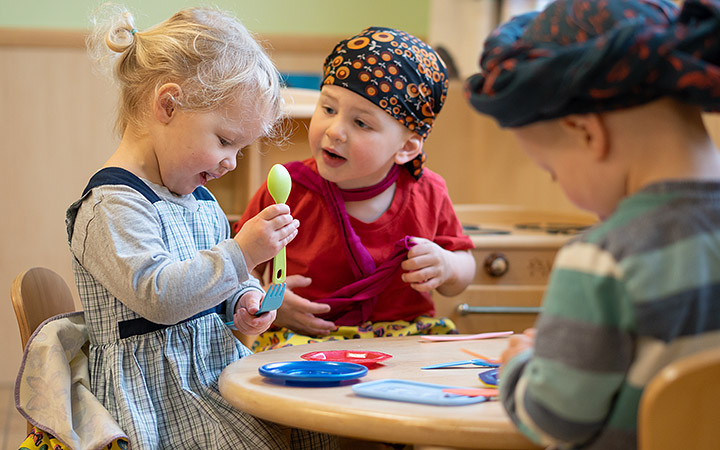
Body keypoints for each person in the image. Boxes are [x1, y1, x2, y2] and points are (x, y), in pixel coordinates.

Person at [60, 4, 337, 449]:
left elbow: (216, 283)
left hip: (211, 371)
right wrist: (243, 253)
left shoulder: (200, 201)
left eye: (241, 148)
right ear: (168, 105)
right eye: (225, 141)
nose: (231, 161)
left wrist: (242, 299)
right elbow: (161, 297)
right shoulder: (110, 206)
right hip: (154, 398)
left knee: (315, 427)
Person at [465, 0, 720, 448]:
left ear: (586, 132)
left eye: (553, 171)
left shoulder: (604, 258)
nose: (560, 185)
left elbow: (555, 420)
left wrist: (519, 366)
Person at [236, 27, 476, 351]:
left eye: (361, 123)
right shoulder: (285, 189)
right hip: (305, 341)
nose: (335, 131)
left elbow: (463, 270)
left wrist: (447, 265)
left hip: (406, 341)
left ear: (407, 147)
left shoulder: (429, 191)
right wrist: (269, 302)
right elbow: (237, 268)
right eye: (328, 109)